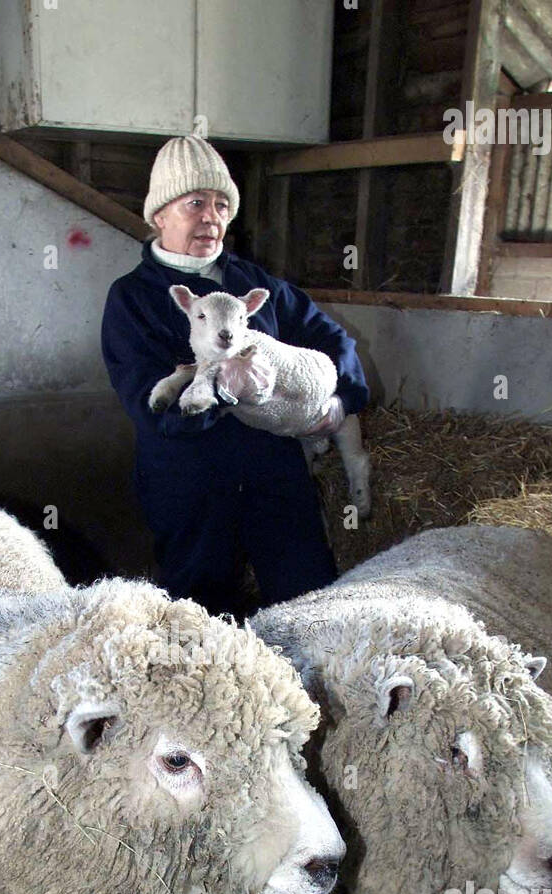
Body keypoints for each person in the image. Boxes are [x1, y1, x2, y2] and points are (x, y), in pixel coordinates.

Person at [101, 134, 368, 617]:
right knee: (198, 617)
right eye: (195, 202)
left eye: (223, 205)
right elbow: (149, 404)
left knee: (308, 604)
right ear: (159, 215)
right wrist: (221, 391)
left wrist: (340, 402)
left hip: (275, 477)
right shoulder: (133, 299)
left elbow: (335, 342)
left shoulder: (258, 286)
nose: (211, 217)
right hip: (190, 484)